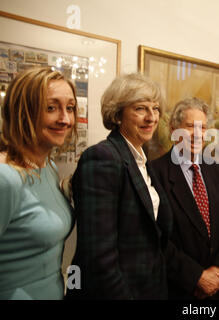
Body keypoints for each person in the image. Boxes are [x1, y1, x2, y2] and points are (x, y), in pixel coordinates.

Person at [67, 73, 173, 299]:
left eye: (155, 109)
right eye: (140, 109)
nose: (151, 118)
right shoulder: (102, 157)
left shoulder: (142, 158)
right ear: (117, 114)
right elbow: (99, 257)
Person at [0, 67, 77, 299]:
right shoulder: (6, 177)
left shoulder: (48, 167)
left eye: (70, 108)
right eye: (51, 108)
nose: (65, 119)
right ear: (23, 111)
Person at [151, 97, 219, 300]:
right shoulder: (155, 173)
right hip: (181, 288)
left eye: (203, 127)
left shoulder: (216, 168)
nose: (198, 134)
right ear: (174, 130)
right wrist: (197, 277)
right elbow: (156, 235)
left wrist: (218, 268)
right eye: (190, 126)